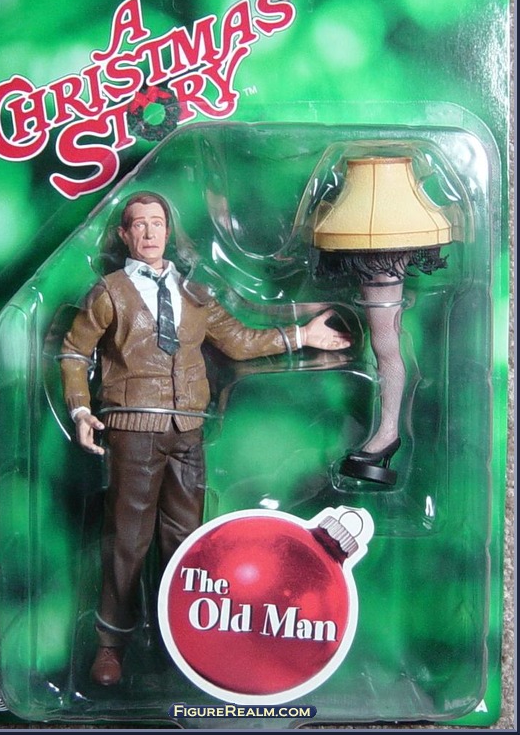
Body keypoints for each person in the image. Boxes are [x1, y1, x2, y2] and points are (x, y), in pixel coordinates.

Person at [60, 192, 351, 686]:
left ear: (168, 231)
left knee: (188, 544)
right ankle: (112, 643)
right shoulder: (110, 293)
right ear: (124, 235)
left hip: (187, 431)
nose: (149, 232)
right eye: (139, 225)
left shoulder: (194, 295)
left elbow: (238, 340)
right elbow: (74, 351)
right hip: (133, 428)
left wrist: (302, 336)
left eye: (157, 223)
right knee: (128, 540)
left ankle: (181, 638)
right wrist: (81, 409)